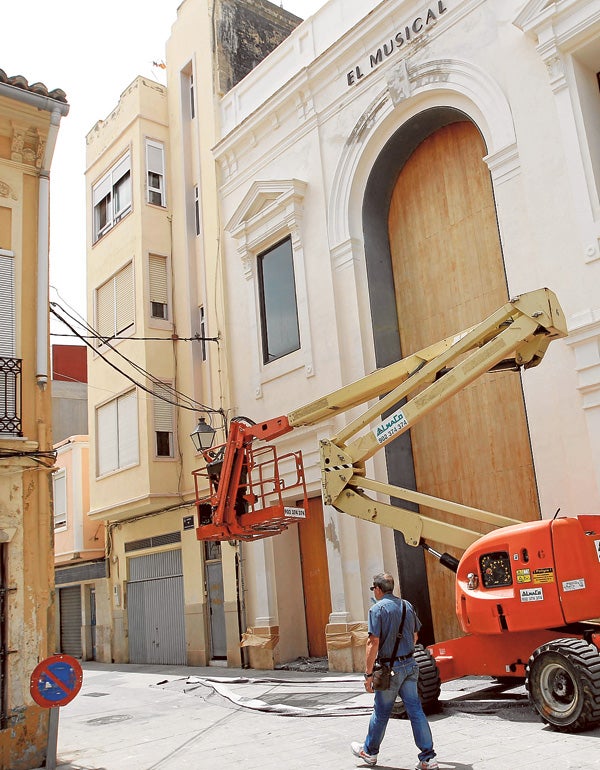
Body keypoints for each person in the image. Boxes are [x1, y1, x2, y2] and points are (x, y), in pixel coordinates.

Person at [351, 572, 438, 770]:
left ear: (378, 589)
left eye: (374, 589)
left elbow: (373, 642)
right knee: (415, 711)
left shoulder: (377, 610)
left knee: (381, 712)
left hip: (391, 669)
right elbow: (415, 636)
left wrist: (368, 674)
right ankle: (428, 758)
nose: (374, 592)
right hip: (410, 665)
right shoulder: (406, 606)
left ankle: (370, 752)